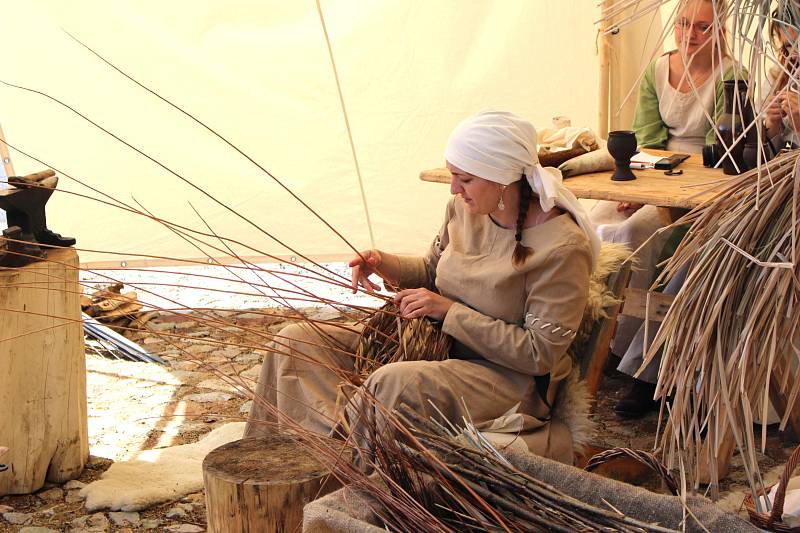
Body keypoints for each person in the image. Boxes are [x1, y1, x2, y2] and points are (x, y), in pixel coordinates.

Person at [245, 110, 598, 464]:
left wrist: (448, 312)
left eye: (464, 179)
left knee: (392, 384)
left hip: (503, 378)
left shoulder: (562, 247)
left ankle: (334, 472)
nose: (454, 188)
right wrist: (384, 262)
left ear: (502, 178)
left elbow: (538, 354)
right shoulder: (462, 209)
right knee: (296, 340)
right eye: (453, 175)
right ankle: (274, 463)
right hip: (433, 348)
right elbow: (432, 270)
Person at [589, 0, 747, 418]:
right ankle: (593, 344)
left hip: (706, 180)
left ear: (720, 30)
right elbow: (645, 139)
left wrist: (656, 194)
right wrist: (638, 182)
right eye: (682, 24)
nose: (689, 34)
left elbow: (727, 148)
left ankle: (639, 362)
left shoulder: (731, 76)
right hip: (654, 172)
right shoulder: (659, 70)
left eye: (701, 27)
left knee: (638, 233)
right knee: (595, 222)